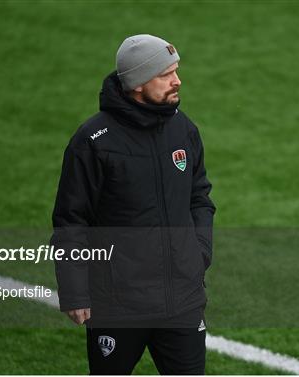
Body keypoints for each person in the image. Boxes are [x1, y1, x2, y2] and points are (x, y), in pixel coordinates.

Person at [50, 34, 215, 375]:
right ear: (139, 83)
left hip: (181, 300)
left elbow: (199, 196)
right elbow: (71, 220)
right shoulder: (93, 142)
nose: (177, 80)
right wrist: (74, 291)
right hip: (118, 304)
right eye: (166, 74)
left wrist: (198, 252)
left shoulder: (183, 130)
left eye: (177, 70)